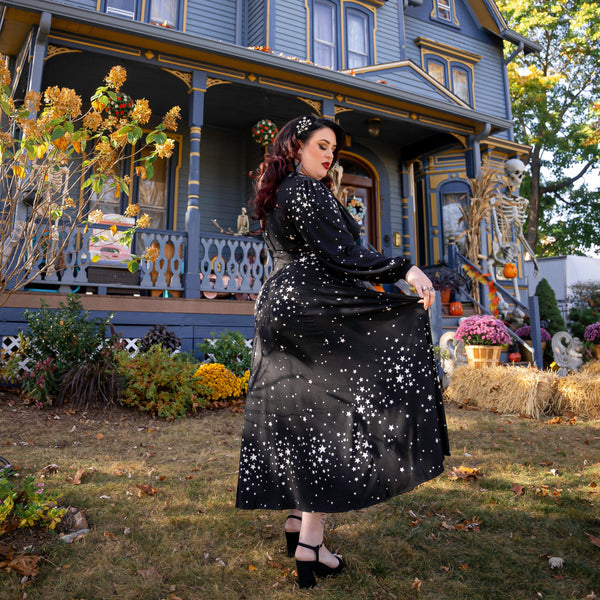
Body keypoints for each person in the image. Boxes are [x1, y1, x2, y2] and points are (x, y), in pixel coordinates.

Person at [235, 115, 450, 588]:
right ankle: (312, 538)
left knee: (300, 413)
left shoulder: (284, 191)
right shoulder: (305, 190)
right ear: (296, 146)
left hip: (280, 306)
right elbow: (343, 254)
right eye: (322, 145)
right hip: (311, 306)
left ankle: (297, 520)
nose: (330, 155)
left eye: (334, 148)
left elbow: (334, 249)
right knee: (331, 415)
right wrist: (404, 268)